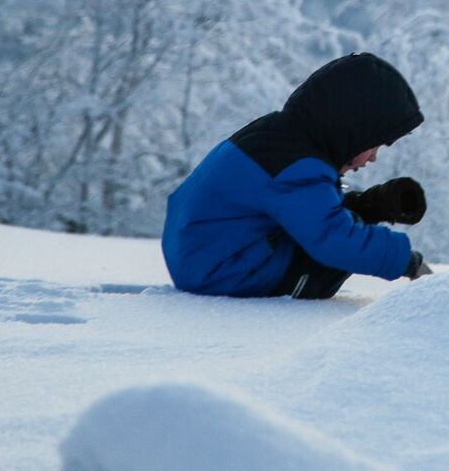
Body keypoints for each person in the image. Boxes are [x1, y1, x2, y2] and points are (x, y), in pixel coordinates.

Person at [162, 52, 433, 299]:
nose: (373, 157)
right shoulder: (297, 165)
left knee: (327, 231)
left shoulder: (278, 139)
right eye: (374, 144)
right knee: (331, 256)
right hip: (224, 275)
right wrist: (408, 261)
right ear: (353, 131)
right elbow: (333, 239)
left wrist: (367, 207)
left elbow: (304, 212)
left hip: (206, 257)